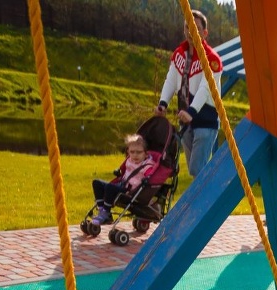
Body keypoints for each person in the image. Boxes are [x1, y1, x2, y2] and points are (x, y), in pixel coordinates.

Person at [156, 9, 222, 178]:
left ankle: (210, 197)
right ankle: (205, 199)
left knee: (196, 169)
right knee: (196, 172)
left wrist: (192, 111)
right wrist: (163, 103)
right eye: (187, 27)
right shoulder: (179, 54)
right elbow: (171, 80)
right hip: (186, 121)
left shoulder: (212, 59)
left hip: (205, 119)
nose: (191, 31)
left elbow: (206, 88)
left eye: (196, 28)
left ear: (205, 33)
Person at [86, 134, 159, 225]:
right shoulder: (129, 160)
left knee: (110, 187)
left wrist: (148, 178)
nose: (135, 155)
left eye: (139, 152)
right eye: (132, 152)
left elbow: (150, 175)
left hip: (131, 192)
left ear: (146, 153)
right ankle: (102, 211)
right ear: (128, 151)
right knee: (96, 183)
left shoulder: (148, 165)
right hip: (122, 184)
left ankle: (106, 212)